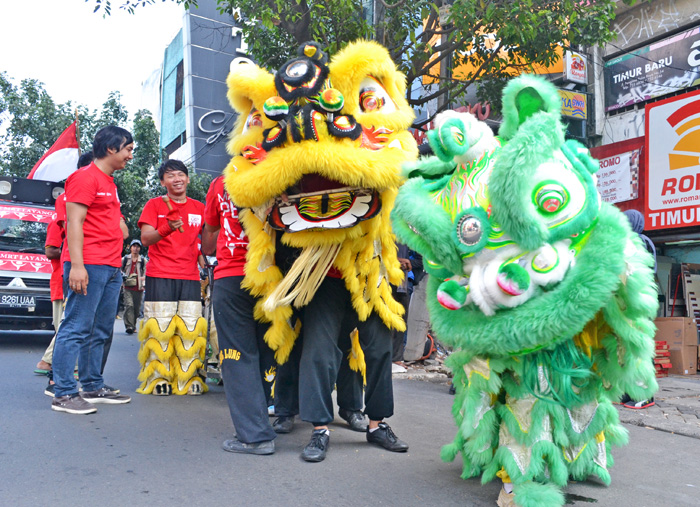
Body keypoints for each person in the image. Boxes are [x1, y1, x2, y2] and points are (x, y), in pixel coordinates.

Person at [50, 127, 133, 414]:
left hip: (110, 266)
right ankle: (63, 393)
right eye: (127, 149)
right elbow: (74, 223)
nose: (129, 155)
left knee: (101, 329)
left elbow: (117, 224)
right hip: (89, 264)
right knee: (75, 327)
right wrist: (77, 266)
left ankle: (92, 385)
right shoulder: (84, 177)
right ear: (111, 148)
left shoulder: (109, 182)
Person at [202, 174, 277, 454]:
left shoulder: (222, 183)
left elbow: (209, 235)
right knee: (267, 349)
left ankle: (255, 436)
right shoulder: (282, 175)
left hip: (232, 276)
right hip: (273, 278)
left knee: (238, 356)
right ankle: (266, 417)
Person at [137, 159, 206, 396]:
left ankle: (187, 378)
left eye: (180, 175)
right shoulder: (154, 205)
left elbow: (202, 241)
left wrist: (201, 257)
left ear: (187, 179)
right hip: (160, 274)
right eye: (170, 176)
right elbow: (145, 239)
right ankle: (158, 378)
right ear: (162, 182)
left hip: (190, 276)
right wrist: (167, 228)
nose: (176, 179)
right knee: (160, 328)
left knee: (190, 328)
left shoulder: (199, 207)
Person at [121, 239, 146, 334]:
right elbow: (119, 270)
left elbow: (146, 272)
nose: (135, 248)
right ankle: (129, 326)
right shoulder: (125, 259)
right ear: (130, 248)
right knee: (129, 305)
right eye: (134, 246)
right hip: (127, 287)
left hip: (138, 288)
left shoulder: (143, 260)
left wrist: (144, 284)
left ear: (140, 248)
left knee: (136, 308)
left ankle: (133, 325)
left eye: (137, 246)